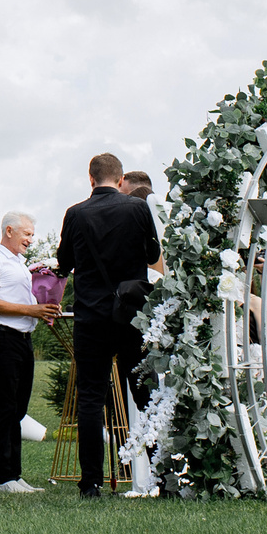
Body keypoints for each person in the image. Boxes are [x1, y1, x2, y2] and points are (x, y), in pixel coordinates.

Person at [57, 153, 167, 498]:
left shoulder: (75, 214)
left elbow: (63, 262)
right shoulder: (136, 209)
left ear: (91, 179)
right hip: (129, 314)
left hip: (90, 315)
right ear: (120, 180)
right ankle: (163, 475)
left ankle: (90, 482)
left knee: (90, 397)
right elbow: (152, 255)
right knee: (143, 391)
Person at [0, 213, 57, 492]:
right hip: (1, 338)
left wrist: (43, 308)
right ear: (9, 230)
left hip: (23, 339)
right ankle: (4, 478)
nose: (30, 240)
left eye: (32, 235)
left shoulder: (21, 265)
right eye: (27, 234)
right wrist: (31, 310)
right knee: (6, 406)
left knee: (18, 408)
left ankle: (15, 475)